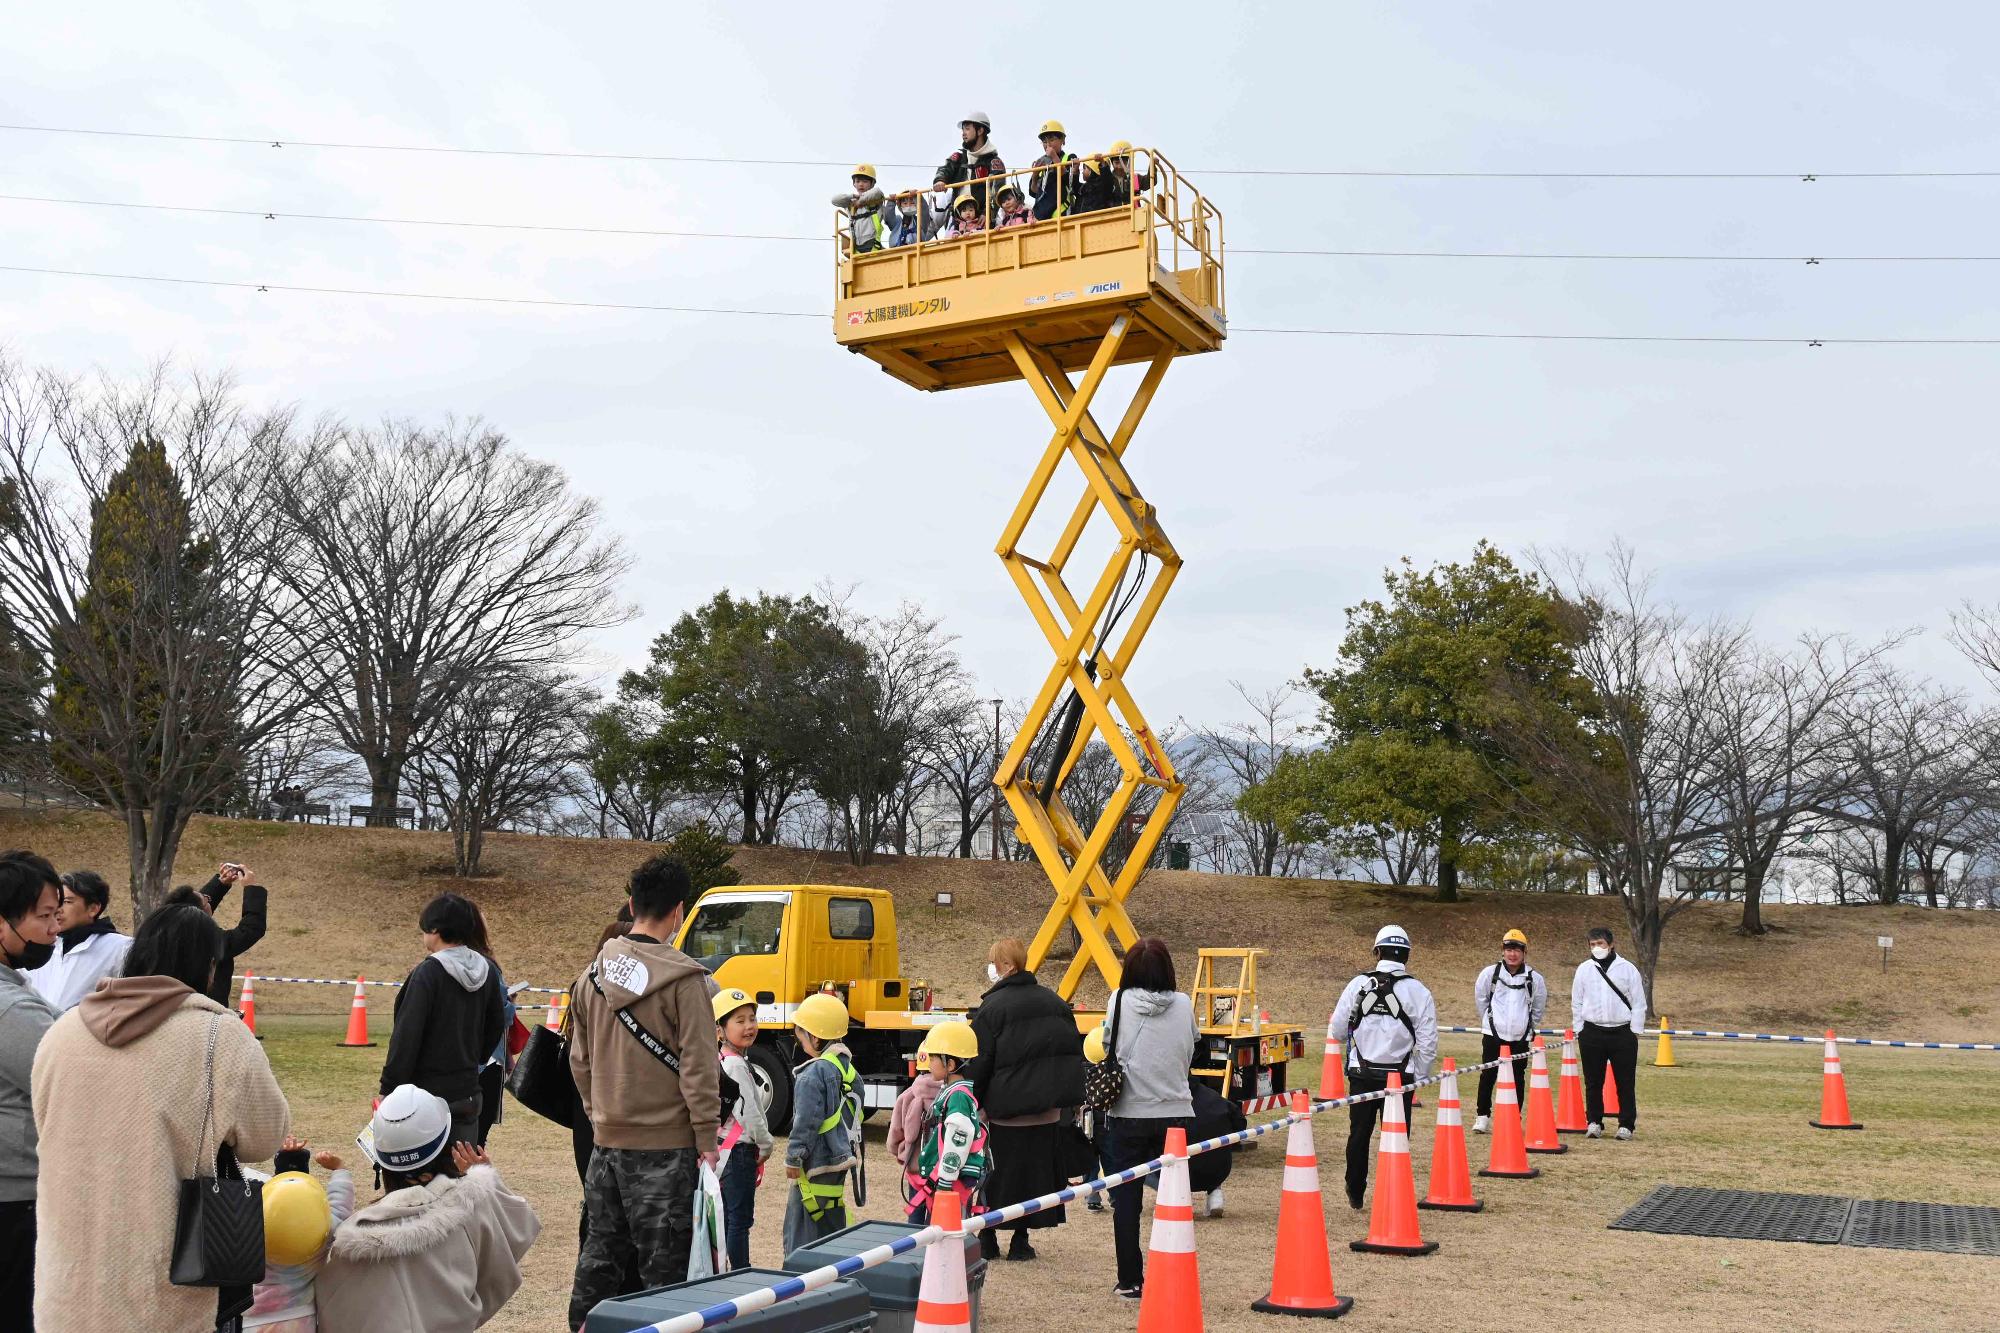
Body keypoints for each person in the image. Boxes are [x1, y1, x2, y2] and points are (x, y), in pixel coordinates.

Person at [33, 899, 289, 1333]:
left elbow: (46, 1121)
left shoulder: (62, 1031)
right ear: (208, 967)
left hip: (68, 1286)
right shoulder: (219, 1036)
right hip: (163, 1287)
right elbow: (266, 1137)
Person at [567, 854, 721, 1331]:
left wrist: (600, 1114)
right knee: (667, 1276)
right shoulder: (687, 981)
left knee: (599, 1261)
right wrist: (708, 1140)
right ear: (679, 911)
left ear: (632, 904)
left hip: (607, 1145)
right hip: (668, 1150)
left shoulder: (591, 976)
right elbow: (699, 1068)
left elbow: (579, 1059)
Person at [318, 1085, 540, 1333]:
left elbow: (328, 1310)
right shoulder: (471, 1206)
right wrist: (489, 1181)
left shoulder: (351, 1240)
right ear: (445, 1143)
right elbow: (516, 1236)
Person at [965, 937, 1082, 1262]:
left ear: (1006, 966)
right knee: (1034, 1178)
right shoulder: (1055, 1003)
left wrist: (973, 1100)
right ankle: (1021, 1239)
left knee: (994, 1175)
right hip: (1045, 1112)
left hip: (1003, 1113)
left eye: (994, 962)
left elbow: (980, 1061)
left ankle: (987, 1236)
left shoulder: (991, 1009)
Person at [1097, 937, 1195, 1301]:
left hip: (1130, 1112)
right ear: (1168, 969)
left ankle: (1130, 1280)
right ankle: (1173, 1272)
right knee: (1174, 1199)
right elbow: (1189, 1047)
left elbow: (1109, 1047)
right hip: (1176, 1112)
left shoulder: (1118, 1001)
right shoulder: (1184, 1004)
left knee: (1126, 1201)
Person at [379, 893, 508, 1150]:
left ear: (434, 929)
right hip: (468, 1092)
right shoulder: (487, 970)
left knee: (424, 1181)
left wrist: (389, 1088)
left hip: (426, 1098)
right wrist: (475, 1058)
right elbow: (497, 1024)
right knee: (461, 1178)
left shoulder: (427, 973)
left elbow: (407, 1036)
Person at [1329, 924, 1438, 1210]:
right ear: (1407, 955)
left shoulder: (1357, 985)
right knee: (1397, 1138)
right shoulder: (1418, 991)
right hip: (1400, 1077)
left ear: (1377, 951)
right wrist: (1421, 1076)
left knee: (1359, 1134)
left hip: (1362, 1074)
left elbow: (1338, 1031)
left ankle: (1355, 1189)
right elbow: (1427, 1042)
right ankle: (1392, 1196)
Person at [0, 850, 61, 1331]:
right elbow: (72, 1080)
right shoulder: (10, 1011)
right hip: (16, 1202)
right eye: (44, 917)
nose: (53, 930)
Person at [248, 1135, 356, 1331]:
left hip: (249, 1324)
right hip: (301, 1322)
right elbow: (340, 1205)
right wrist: (340, 1169)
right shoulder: (325, 1231)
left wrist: (286, 1167)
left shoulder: (249, 1235)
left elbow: (279, 1205)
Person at [783, 991, 857, 1254]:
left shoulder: (813, 1073)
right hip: (839, 1158)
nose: (799, 1040)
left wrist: (794, 1158)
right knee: (830, 1220)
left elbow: (805, 1122)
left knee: (801, 1231)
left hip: (815, 1163)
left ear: (814, 1037)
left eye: (799, 1034)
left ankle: (799, 1281)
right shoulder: (847, 1067)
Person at [713, 986, 772, 1271]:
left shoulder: (723, 1060)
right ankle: (740, 1271)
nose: (749, 1026)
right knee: (739, 1220)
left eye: (751, 1018)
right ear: (721, 1029)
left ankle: (728, 1270)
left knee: (729, 1218)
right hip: (739, 1154)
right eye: (739, 1020)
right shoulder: (735, 1064)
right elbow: (750, 1113)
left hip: (726, 1153)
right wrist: (767, 1143)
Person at [1572, 926, 1646, 1140]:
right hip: (1592, 1031)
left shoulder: (1627, 969)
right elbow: (1577, 1001)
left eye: (1601, 944)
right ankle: (1594, 1121)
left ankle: (1626, 1124)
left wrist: (1635, 1030)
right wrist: (1579, 1028)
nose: (1597, 948)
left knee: (1625, 1081)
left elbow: (1639, 1001)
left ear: (1611, 944)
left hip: (1622, 1031)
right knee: (1593, 1081)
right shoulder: (1584, 969)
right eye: (1593, 944)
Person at [1472, 928, 1545, 1133]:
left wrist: (1526, 1027)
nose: (1512, 954)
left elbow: (1538, 1007)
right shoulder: (1490, 973)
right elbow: (1481, 1000)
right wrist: (1489, 1022)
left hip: (1520, 1037)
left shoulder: (1535, 978)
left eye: (1517, 950)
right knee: (1488, 1075)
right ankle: (1482, 1116)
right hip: (1493, 1034)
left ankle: (1513, 1117)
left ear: (1524, 952)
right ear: (1502, 951)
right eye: (1508, 949)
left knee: (1517, 1077)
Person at [914, 1020, 987, 1227]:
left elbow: (958, 1139)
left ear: (951, 1064)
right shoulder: (954, 1093)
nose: (928, 1063)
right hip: (947, 1179)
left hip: (950, 1182)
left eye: (933, 1058)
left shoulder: (957, 1097)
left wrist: (945, 1179)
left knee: (947, 1232)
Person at [30, 869, 132, 1012]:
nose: (58, 909)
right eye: (55, 902)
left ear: (93, 909)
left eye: (66, 902)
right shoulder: (38, 945)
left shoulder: (121, 948)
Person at [461, 902, 517, 1149]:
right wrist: (509, 1003)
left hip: (457, 1062)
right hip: (487, 1062)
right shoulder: (487, 966)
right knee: (475, 1142)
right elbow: (502, 1015)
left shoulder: (437, 966)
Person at [192, 861, 269, 1008]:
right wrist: (251, 888)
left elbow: (194, 908)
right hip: (208, 1013)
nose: (209, 900)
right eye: (206, 900)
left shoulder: (173, 931)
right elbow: (251, 929)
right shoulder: (209, 941)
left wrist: (220, 884)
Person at [888, 1035, 944, 1217]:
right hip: (943, 1171)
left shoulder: (907, 1095)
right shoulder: (953, 1095)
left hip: (915, 1167)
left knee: (916, 1218)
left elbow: (895, 1134)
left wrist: (901, 1153)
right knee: (942, 1218)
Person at [932, 111, 1006, 219]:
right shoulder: (958, 158)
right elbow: (945, 169)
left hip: (983, 222)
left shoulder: (994, 162)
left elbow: (998, 192)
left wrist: (987, 213)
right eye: (963, 129)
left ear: (980, 130)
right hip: (959, 223)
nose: (963, 133)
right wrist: (940, 180)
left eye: (967, 128)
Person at [1072, 141, 1149, 216]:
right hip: (1113, 216)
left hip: (1133, 216)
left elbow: (1149, 182)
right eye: (1117, 163)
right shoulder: (1108, 180)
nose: (1120, 166)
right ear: (1112, 163)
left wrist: (1153, 167)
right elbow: (1075, 187)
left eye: (1123, 162)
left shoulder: (1135, 179)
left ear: (1129, 162)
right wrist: (1075, 171)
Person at [831, 164, 889, 255]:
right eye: (857, 181)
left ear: (872, 183)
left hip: (873, 246)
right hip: (856, 249)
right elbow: (834, 200)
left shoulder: (876, 200)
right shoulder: (851, 203)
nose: (861, 184)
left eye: (865, 181)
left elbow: (877, 191)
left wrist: (860, 201)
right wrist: (853, 196)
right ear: (854, 184)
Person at [1029, 119, 1078, 221]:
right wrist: (1035, 175)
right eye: (1044, 141)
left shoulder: (1069, 158)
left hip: (1062, 215)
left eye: (1051, 140)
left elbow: (1071, 183)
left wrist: (1054, 157)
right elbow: (1034, 192)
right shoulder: (1041, 162)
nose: (1048, 144)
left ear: (1062, 140)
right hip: (1041, 219)